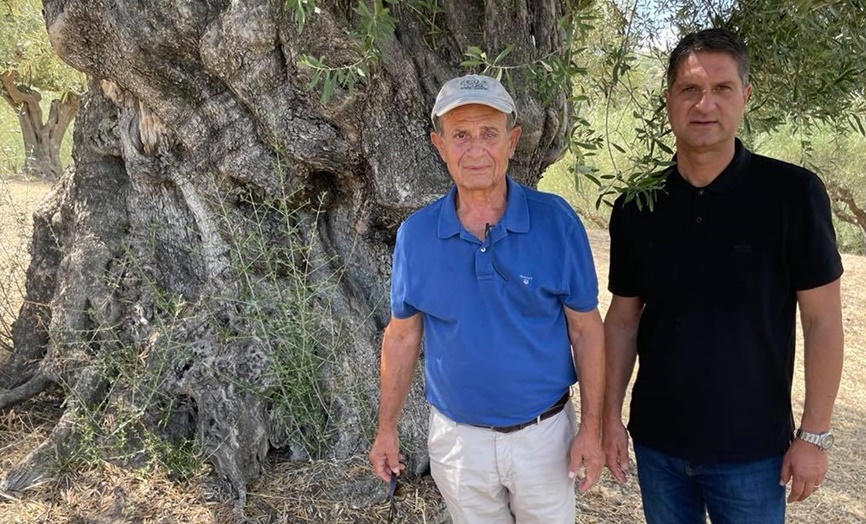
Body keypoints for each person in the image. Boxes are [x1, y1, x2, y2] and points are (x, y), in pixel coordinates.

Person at [603, 28, 844, 523]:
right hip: (658, 446)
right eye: (689, 89)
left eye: (722, 88)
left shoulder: (792, 195)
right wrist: (608, 417)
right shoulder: (637, 205)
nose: (704, 104)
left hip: (753, 453)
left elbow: (822, 322)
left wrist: (814, 435)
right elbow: (623, 320)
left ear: (745, 97)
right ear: (668, 99)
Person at [368, 74, 606, 523]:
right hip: (458, 443)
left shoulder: (556, 222)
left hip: (545, 438)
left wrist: (591, 430)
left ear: (512, 142)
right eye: (460, 135)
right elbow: (401, 337)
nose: (475, 149)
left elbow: (586, 330)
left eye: (489, 133)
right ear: (439, 145)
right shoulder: (416, 235)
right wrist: (386, 429)